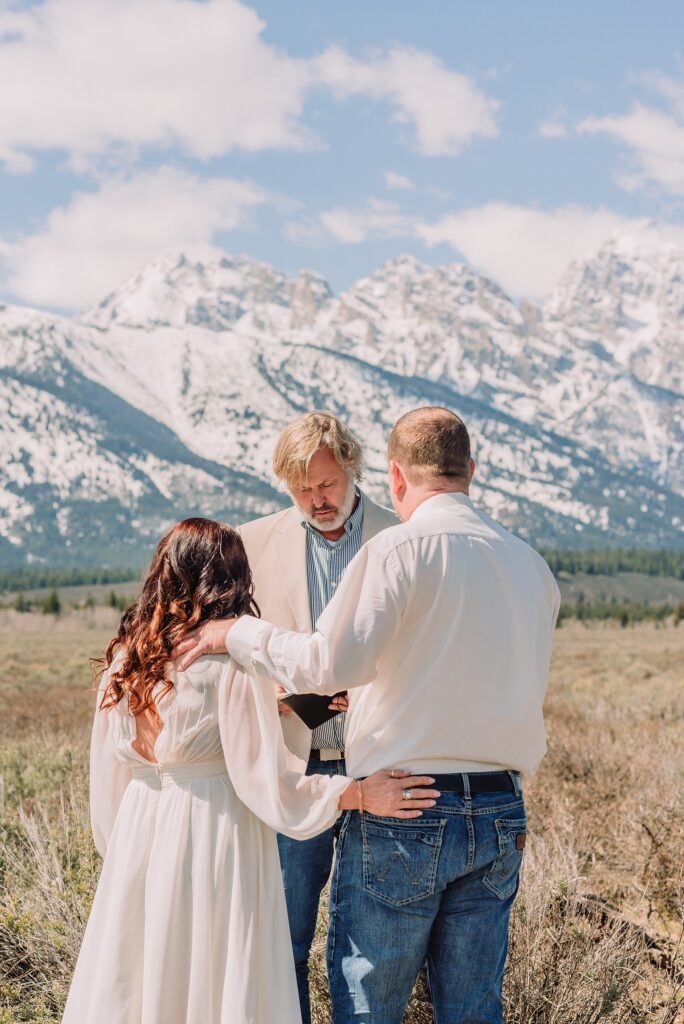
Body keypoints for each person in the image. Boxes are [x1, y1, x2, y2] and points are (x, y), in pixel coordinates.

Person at [176, 408, 562, 1024]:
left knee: (369, 1004)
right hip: (496, 807)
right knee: (471, 1006)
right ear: (472, 470)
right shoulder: (531, 566)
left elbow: (329, 660)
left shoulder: (394, 547)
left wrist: (240, 637)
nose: (315, 498)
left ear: (392, 476)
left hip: (400, 800)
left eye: (326, 483)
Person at [62, 517, 439, 1024]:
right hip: (216, 837)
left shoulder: (125, 664)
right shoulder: (229, 667)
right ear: (230, 580)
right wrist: (358, 794)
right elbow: (268, 783)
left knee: (144, 976)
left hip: (139, 836)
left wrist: (125, 853)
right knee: (218, 974)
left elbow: (107, 778)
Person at [236, 411, 397, 1024]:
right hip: (290, 767)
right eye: (300, 490)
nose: (315, 500)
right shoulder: (251, 543)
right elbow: (232, 645)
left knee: (370, 952)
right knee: (285, 940)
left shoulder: (401, 534)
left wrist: (379, 691)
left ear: (352, 467)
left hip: (380, 764)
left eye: (326, 485)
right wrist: (274, 694)